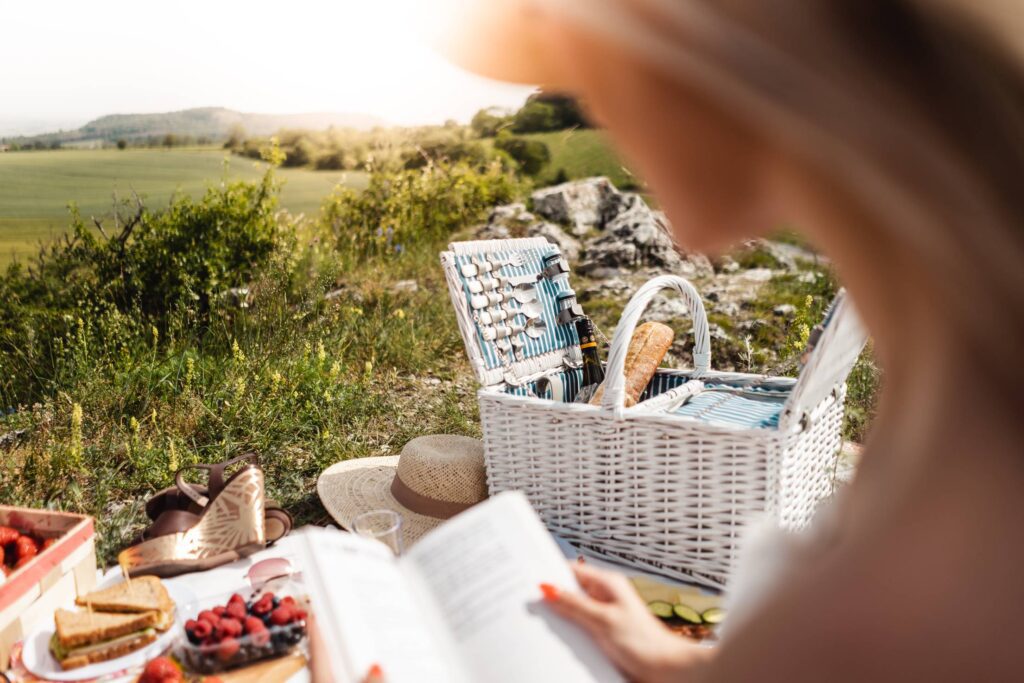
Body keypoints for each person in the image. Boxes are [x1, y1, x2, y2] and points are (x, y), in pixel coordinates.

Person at [432, 0, 1024, 680]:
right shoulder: (947, 353)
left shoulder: (979, 482)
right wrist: (679, 660)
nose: (602, 117)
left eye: (595, 76)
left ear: (683, 49)